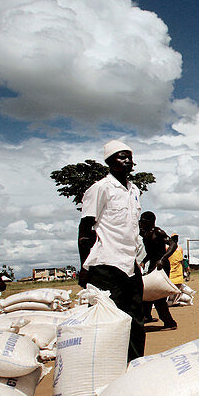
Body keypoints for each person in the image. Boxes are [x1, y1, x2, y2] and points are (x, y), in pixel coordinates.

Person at [78, 139, 146, 361]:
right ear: (109, 161)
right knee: (107, 319)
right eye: (121, 156)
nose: (127, 160)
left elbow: (132, 229)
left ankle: (134, 365)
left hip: (130, 264)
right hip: (106, 264)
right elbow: (85, 228)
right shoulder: (100, 188)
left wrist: (137, 259)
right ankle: (106, 366)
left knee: (135, 317)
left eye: (129, 156)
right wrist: (84, 265)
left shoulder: (134, 190)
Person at [139, 212, 178, 331]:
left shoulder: (158, 232)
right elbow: (151, 253)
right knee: (147, 290)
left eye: (143, 221)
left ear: (150, 221)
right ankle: (146, 316)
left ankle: (170, 323)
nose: (141, 223)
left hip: (162, 265)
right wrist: (144, 261)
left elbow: (173, 244)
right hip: (152, 265)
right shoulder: (145, 234)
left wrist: (163, 259)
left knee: (158, 295)